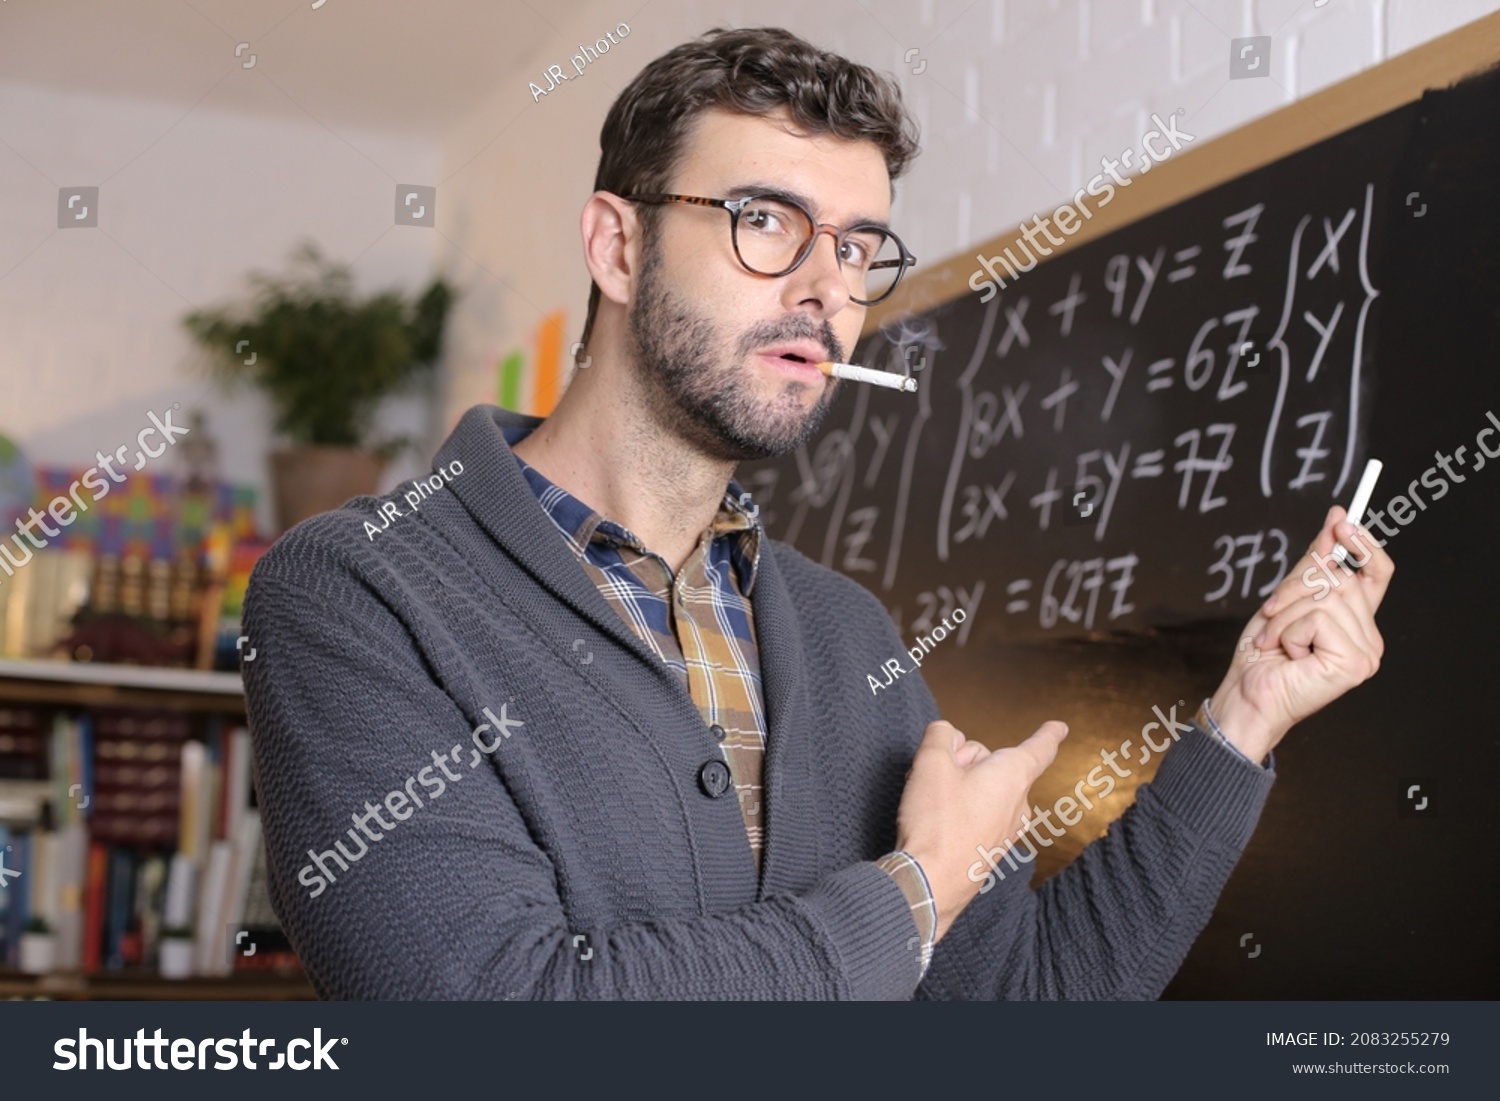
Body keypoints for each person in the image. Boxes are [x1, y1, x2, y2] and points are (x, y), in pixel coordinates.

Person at [243, 26, 1391, 999]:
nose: (826, 290)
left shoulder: (847, 638)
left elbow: (1030, 1001)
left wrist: (1244, 718)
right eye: (766, 220)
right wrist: (917, 891)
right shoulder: (359, 588)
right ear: (617, 245)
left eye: (855, 247)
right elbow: (503, 1002)